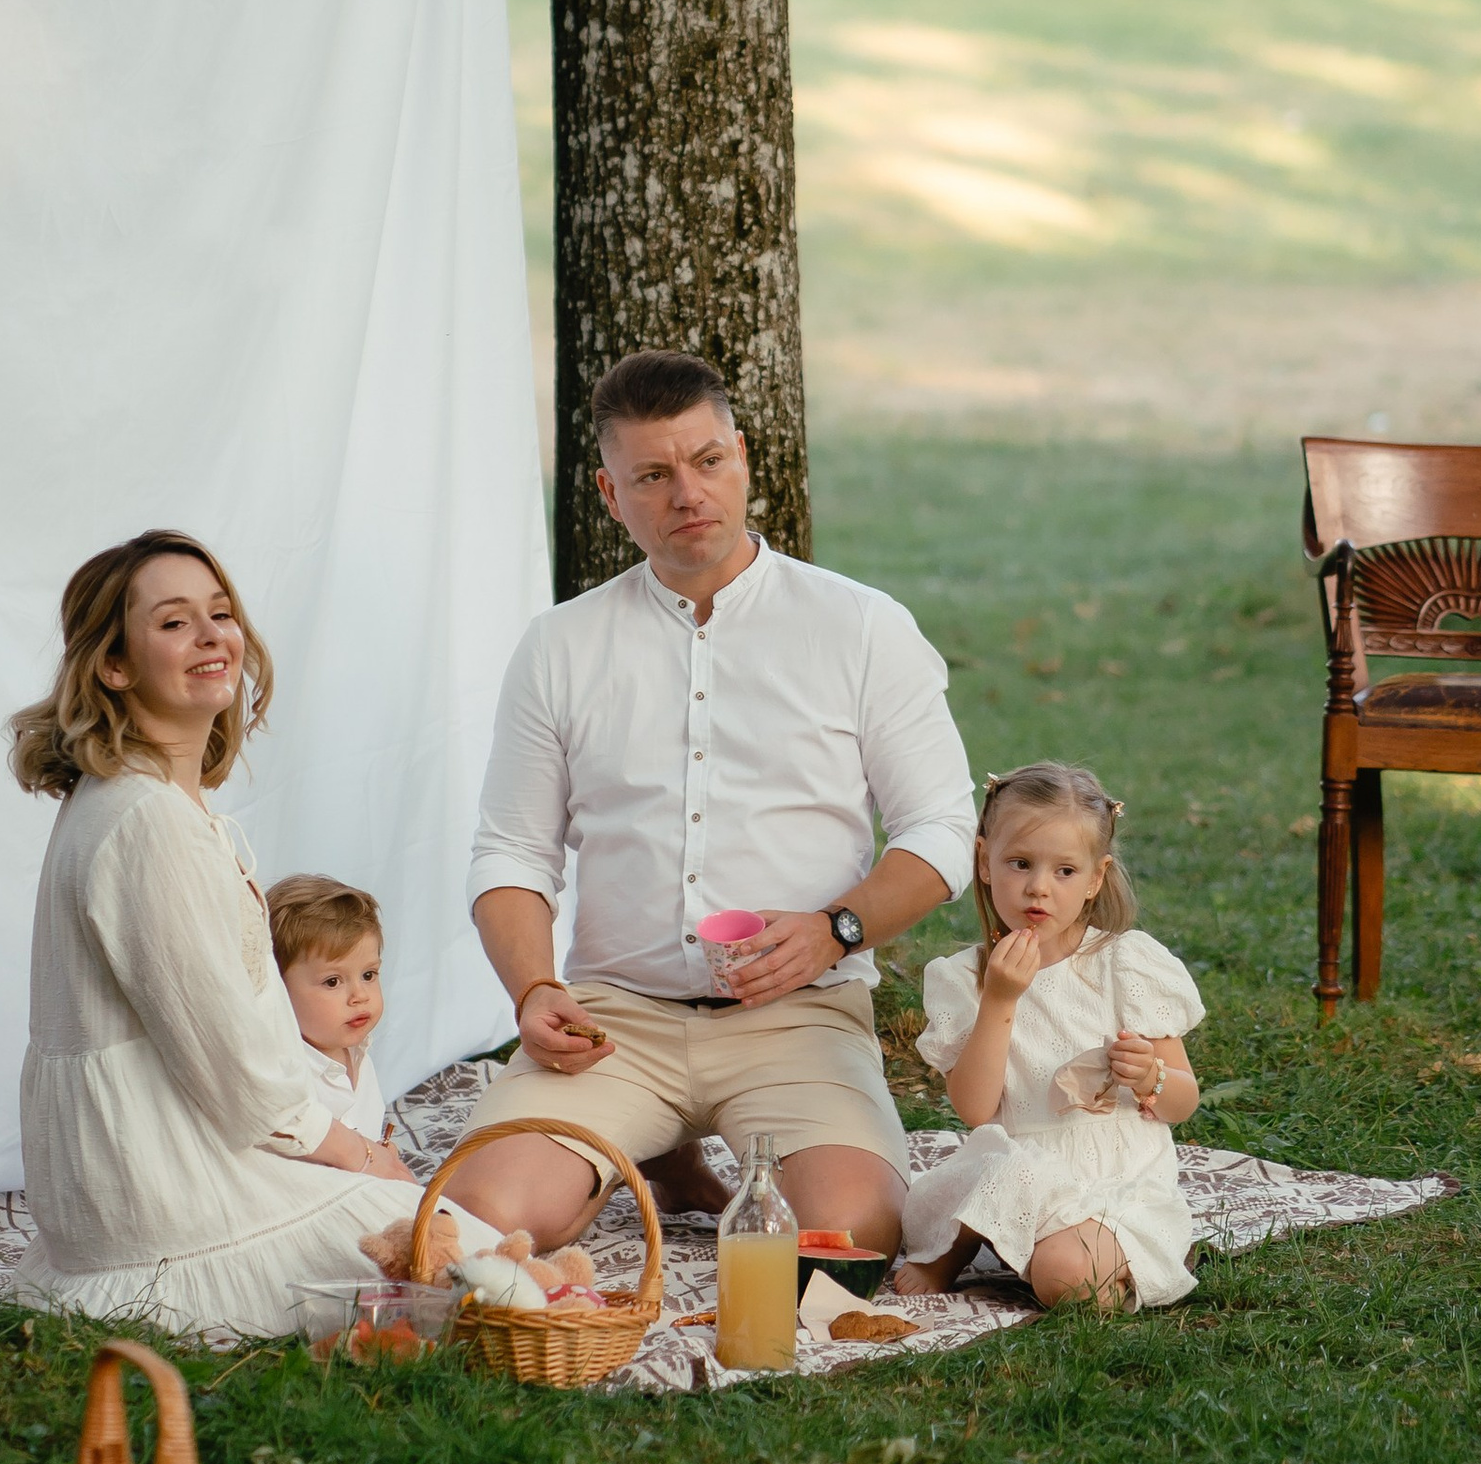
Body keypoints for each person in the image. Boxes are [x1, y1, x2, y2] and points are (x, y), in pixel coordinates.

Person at [460, 350, 977, 1257]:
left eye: (706, 462)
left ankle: (663, 1151)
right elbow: (511, 852)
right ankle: (644, 1146)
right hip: (612, 1020)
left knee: (849, 1233)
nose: (687, 494)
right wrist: (534, 988)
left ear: (742, 457)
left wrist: (835, 930)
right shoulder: (558, 645)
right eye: (652, 476)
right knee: (487, 1221)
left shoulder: (860, 626)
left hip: (801, 1016)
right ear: (610, 494)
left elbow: (944, 828)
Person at [8, 531, 481, 1334]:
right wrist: (361, 1157)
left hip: (135, 1173)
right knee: (466, 1255)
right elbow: (235, 1069)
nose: (210, 636)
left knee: (445, 1232)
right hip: (160, 1197)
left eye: (219, 614)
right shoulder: (146, 822)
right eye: (172, 622)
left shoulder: (139, 801)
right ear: (114, 666)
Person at [893, 760, 1203, 1313]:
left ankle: (1074, 1252)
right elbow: (973, 1108)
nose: (1038, 887)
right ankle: (966, 1244)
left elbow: (1184, 1101)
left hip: (1116, 1179)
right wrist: (1000, 999)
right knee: (997, 1172)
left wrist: (1152, 1077)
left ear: (1095, 878)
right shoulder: (965, 978)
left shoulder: (1125, 965)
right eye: (1019, 863)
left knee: (1069, 1280)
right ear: (984, 863)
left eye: (1064, 871)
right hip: (1017, 1162)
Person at [267, 874, 395, 1161]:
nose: (360, 996)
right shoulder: (285, 1075)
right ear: (277, 987)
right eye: (333, 982)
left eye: (368, 975)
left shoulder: (357, 1050)